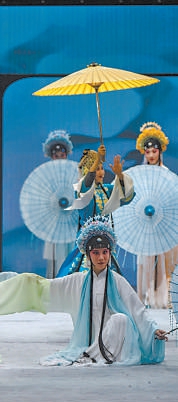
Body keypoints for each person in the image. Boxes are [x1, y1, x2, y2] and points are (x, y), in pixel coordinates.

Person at [42, 215, 167, 366]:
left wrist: (153, 330)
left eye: (105, 252)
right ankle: (92, 353)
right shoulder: (80, 280)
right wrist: (28, 282)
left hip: (116, 338)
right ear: (88, 254)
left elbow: (137, 310)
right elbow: (53, 286)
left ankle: (98, 354)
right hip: (91, 338)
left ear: (110, 253)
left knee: (120, 319)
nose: (101, 258)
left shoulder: (117, 281)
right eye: (96, 253)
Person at [56, 145, 134, 277]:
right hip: (88, 242)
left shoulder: (106, 190)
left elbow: (126, 196)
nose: (101, 172)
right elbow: (87, 183)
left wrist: (120, 175)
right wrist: (98, 158)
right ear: (88, 170)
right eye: (97, 168)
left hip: (105, 242)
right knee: (85, 277)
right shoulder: (82, 191)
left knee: (110, 278)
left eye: (102, 168)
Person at [134, 122, 177, 308]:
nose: (151, 155)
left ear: (160, 151)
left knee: (164, 259)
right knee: (147, 259)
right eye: (148, 152)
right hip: (146, 221)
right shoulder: (140, 175)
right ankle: (147, 296)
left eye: (154, 151)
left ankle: (163, 297)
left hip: (163, 222)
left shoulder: (167, 174)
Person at [41, 130, 74, 278]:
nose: (60, 158)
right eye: (56, 156)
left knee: (70, 254)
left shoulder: (74, 173)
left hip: (70, 219)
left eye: (62, 155)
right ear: (51, 157)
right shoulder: (46, 176)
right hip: (55, 220)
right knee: (56, 257)